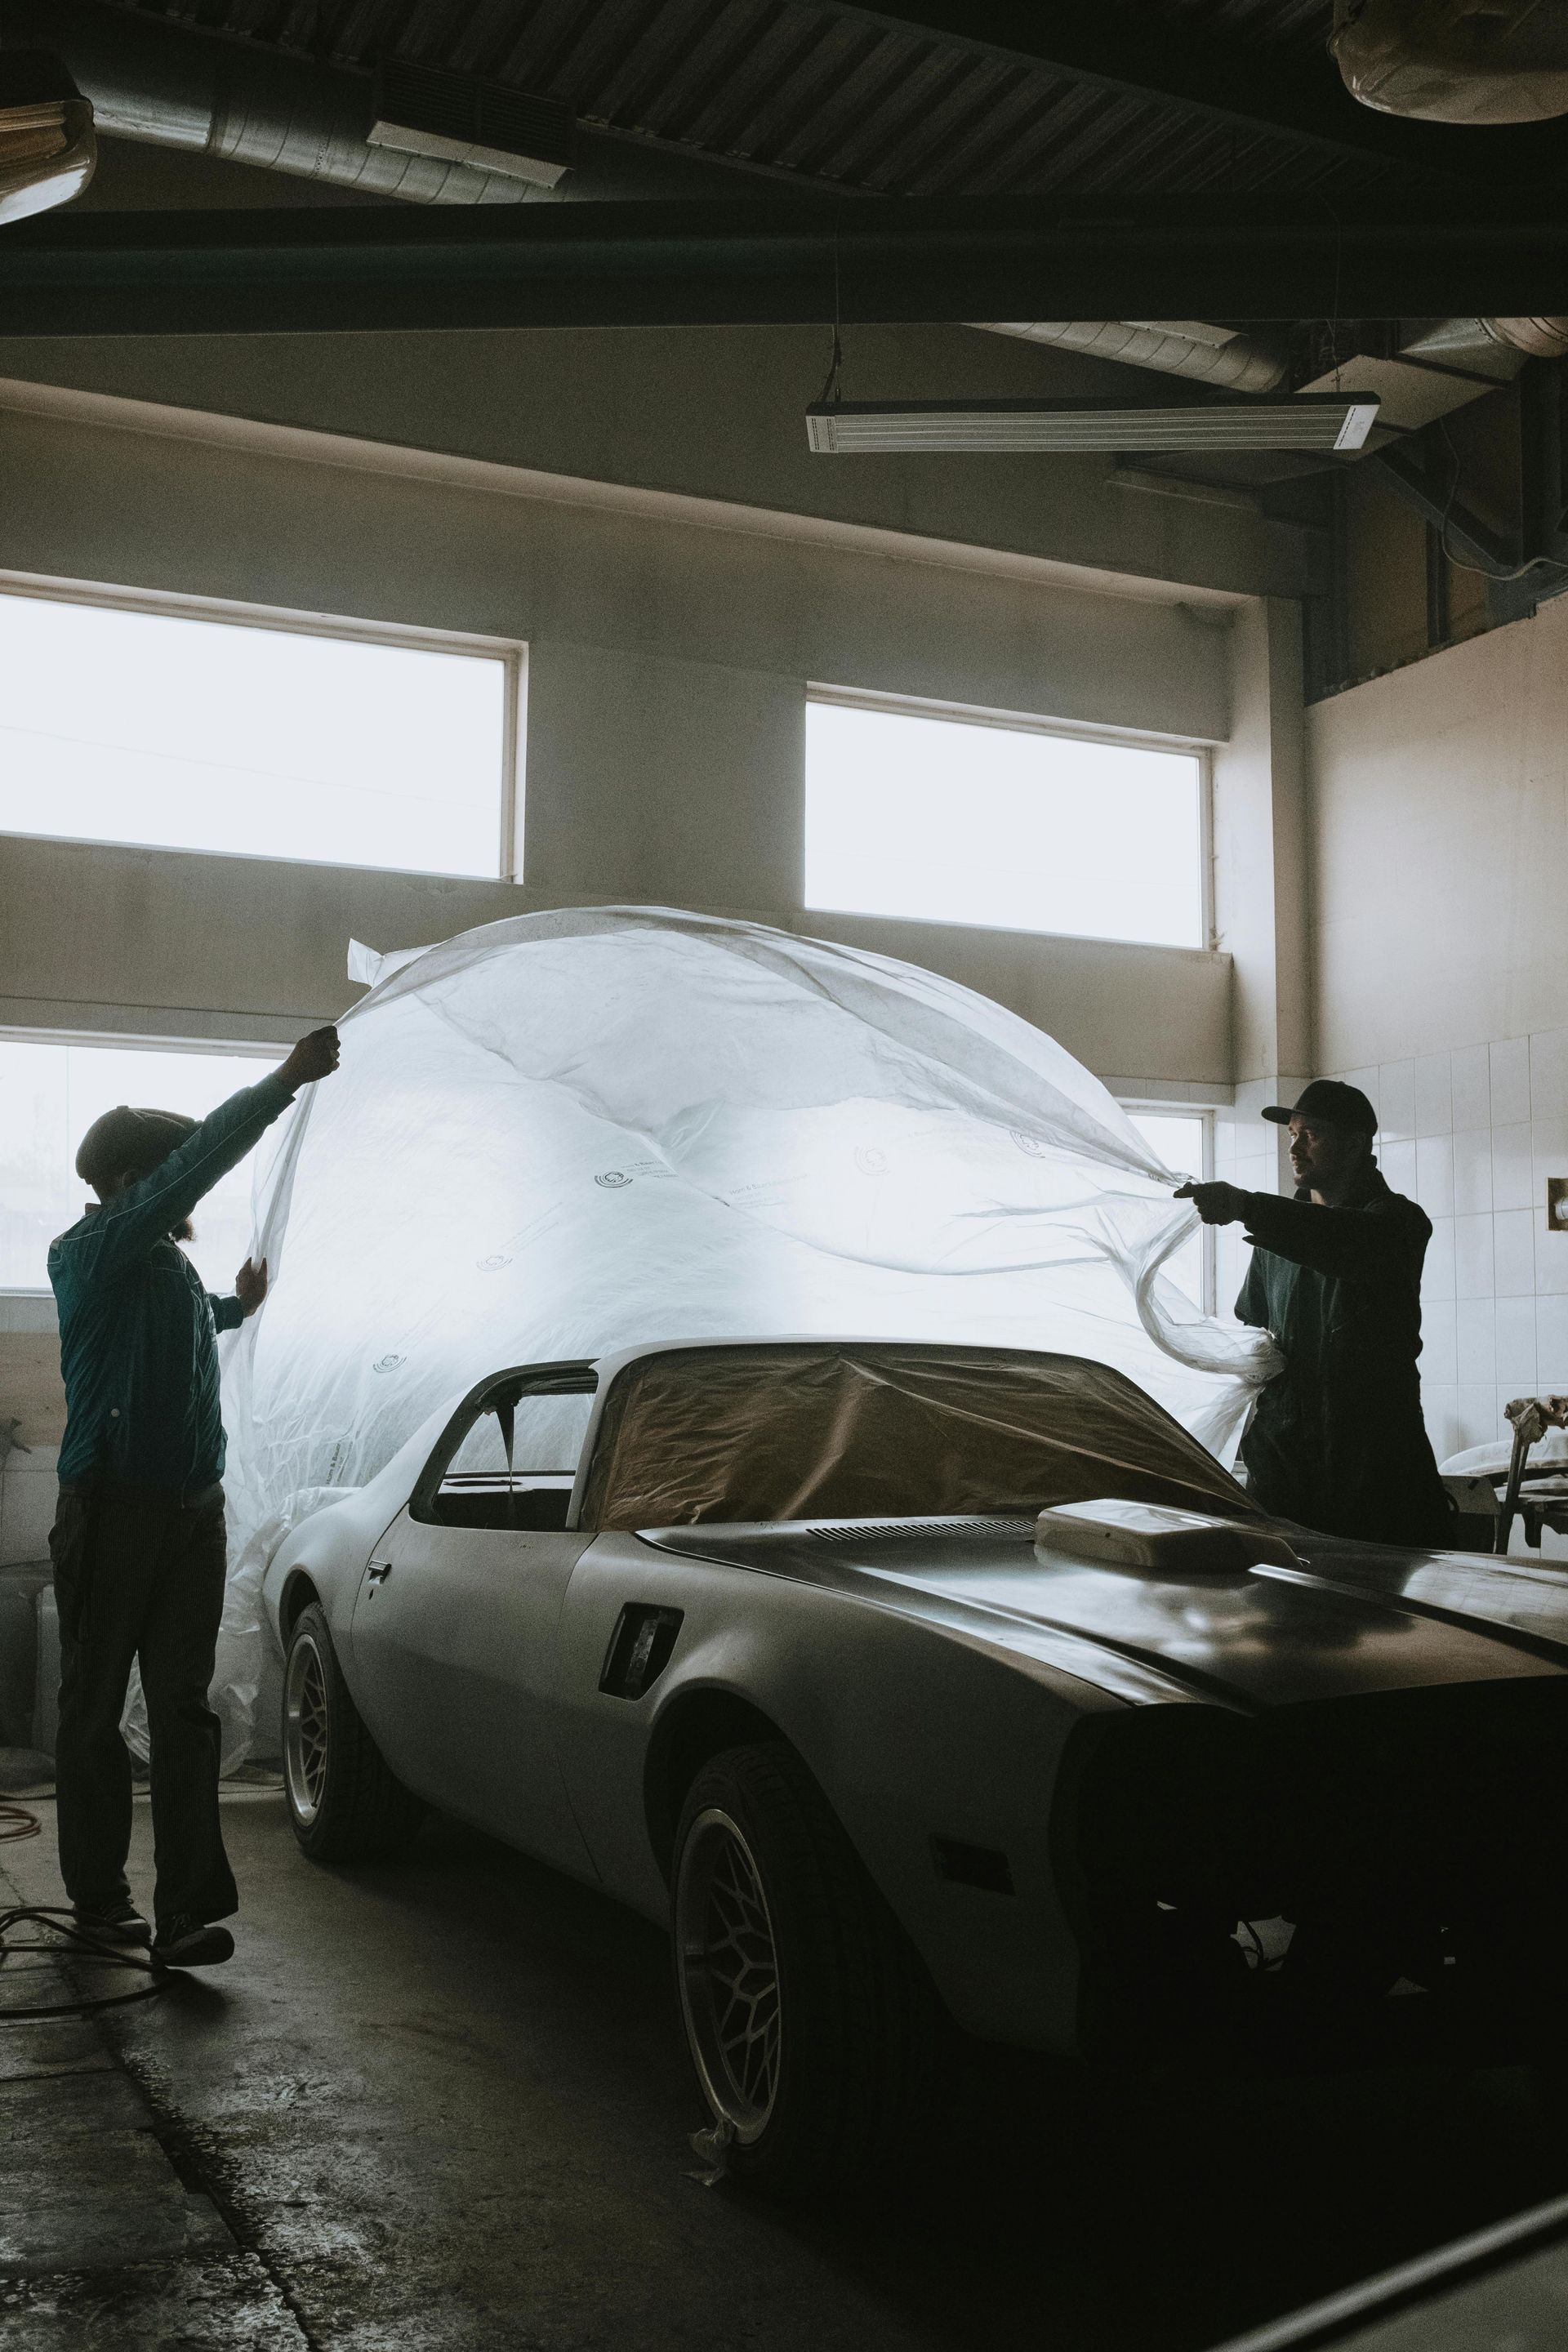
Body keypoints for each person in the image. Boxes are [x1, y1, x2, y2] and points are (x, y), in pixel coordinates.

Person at [47, 1026, 341, 1967]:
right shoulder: (87, 1250)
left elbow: (181, 1321)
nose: (175, 1191)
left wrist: (235, 1311)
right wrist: (284, 1082)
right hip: (111, 1508)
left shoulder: (164, 1269)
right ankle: (100, 1902)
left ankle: (184, 1912)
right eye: (163, 1173)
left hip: (189, 1514)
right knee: (95, 1709)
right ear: (129, 1180)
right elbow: (197, 1167)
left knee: (183, 1707)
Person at [1175, 1078, 1452, 1548]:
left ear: (1356, 1143)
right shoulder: (1275, 1239)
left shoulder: (1397, 1224)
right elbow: (1259, 1333)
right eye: (1292, 1136)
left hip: (1373, 1469)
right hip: (1286, 1469)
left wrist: (1245, 1206)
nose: (1296, 1148)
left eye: (1312, 1135)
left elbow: (1345, 1240)